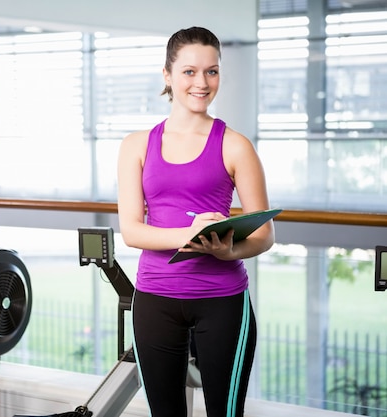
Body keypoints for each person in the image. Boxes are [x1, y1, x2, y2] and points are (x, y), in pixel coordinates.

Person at [117, 26, 275, 417]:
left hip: (221, 299)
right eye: (189, 71)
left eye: (212, 71)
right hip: (154, 298)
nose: (201, 83)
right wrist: (188, 234)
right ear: (167, 75)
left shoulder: (236, 145)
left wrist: (229, 249)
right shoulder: (136, 145)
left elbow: (264, 235)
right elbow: (132, 231)